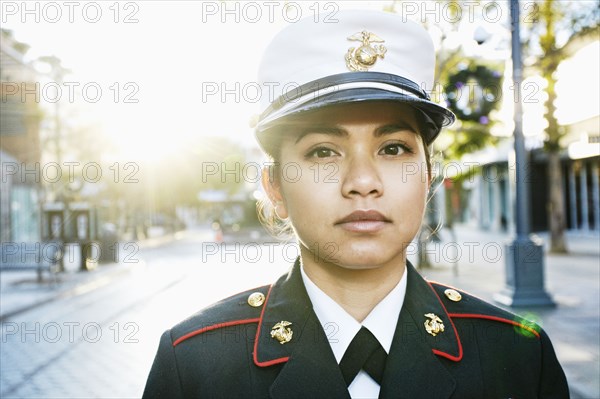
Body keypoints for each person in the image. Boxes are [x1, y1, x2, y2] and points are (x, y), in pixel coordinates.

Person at [143, 10, 569, 398]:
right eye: (323, 152)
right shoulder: (197, 365)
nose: (362, 182)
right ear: (275, 187)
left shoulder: (516, 357)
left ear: (428, 176)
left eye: (394, 148)